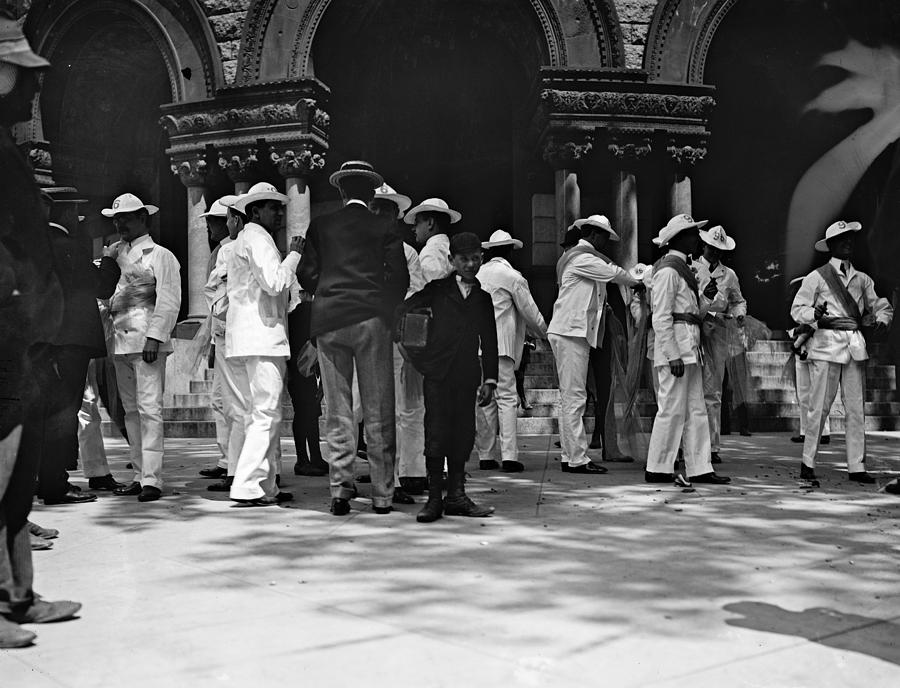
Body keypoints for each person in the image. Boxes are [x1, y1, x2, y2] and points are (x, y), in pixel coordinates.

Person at [0, 10, 81, 647]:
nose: (30, 86)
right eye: (18, 72)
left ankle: (18, 596)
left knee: (16, 473)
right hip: (3, 332)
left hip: (19, 339)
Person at [298, 161, 408, 516]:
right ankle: (382, 493)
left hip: (329, 321)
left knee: (338, 409)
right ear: (372, 193)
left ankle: (340, 489)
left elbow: (305, 273)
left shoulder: (321, 225)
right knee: (378, 408)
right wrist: (382, 305)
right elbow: (400, 277)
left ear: (341, 190)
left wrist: (328, 292)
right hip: (371, 319)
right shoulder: (384, 225)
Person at [395, 232, 498, 522]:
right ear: (452, 260)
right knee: (436, 432)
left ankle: (457, 496)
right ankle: (433, 500)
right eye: (464, 259)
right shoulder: (437, 290)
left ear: (482, 258)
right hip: (437, 375)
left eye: (476, 258)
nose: (471, 264)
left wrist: (490, 380)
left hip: (467, 376)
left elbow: (490, 341)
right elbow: (402, 309)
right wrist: (410, 349)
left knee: (463, 433)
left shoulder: (483, 299)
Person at [34, 188, 121, 505]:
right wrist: (108, 261)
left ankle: (45, 479)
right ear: (64, 212)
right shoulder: (66, 246)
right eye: (74, 211)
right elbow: (101, 286)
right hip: (68, 342)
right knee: (63, 413)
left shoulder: (35, 245)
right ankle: (55, 484)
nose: (79, 218)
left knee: (46, 412)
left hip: (44, 343)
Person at [790, 220, 893, 483]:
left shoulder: (862, 279)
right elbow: (797, 309)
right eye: (841, 239)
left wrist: (882, 320)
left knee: (856, 409)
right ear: (831, 245)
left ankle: (856, 466)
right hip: (826, 346)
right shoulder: (816, 277)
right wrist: (813, 314)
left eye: (850, 238)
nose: (847, 242)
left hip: (854, 346)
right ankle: (808, 462)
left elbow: (881, 305)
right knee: (819, 407)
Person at [547, 215, 642, 474]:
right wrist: (638, 281)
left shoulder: (577, 257)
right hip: (571, 333)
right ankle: (577, 459)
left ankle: (571, 456)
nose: (606, 243)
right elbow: (613, 273)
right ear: (593, 235)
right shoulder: (583, 258)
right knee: (575, 397)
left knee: (571, 398)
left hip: (572, 332)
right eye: (604, 237)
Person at [225, 183, 300, 506]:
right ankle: (247, 485)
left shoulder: (248, 239)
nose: (279, 213)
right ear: (255, 212)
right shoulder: (257, 237)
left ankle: (265, 486)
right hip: (261, 337)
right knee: (266, 413)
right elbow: (274, 282)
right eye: (273, 207)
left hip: (248, 337)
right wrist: (294, 256)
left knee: (258, 413)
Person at [104, 193, 181, 502]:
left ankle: (152, 478)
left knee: (150, 410)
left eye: (127, 218)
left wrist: (156, 336)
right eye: (117, 219)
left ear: (143, 218)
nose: (120, 224)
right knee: (131, 411)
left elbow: (169, 299)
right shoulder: (114, 255)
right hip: (120, 341)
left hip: (146, 341)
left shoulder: (161, 255)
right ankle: (138, 473)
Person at [644, 215, 731, 486]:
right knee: (671, 408)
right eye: (692, 234)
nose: (697, 239)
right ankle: (658, 466)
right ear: (680, 238)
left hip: (690, 348)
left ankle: (700, 466)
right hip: (677, 351)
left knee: (696, 408)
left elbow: (692, 313)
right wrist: (672, 354)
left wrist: (706, 298)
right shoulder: (668, 271)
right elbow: (661, 317)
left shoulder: (682, 269)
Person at [370, 182, 426, 500]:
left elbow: (416, 293)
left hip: (397, 337)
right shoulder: (359, 247)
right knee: (366, 408)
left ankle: (406, 473)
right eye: (375, 208)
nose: (380, 215)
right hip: (365, 335)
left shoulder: (407, 253)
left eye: (386, 210)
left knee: (404, 406)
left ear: (395, 215)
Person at [475, 229, 547, 472]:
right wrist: (546, 333)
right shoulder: (512, 277)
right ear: (508, 252)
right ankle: (509, 456)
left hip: (476, 346)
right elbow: (531, 312)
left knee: (484, 400)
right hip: (500, 347)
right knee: (506, 399)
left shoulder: (477, 273)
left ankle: (486, 455)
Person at [694, 225, 747, 464]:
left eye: (719, 250)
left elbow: (737, 300)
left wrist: (739, 314)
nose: (714, 252)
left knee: (714, 389)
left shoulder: (729, 274)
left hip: (718, 330)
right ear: (704, 246)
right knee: (691, 387)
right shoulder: (692, 268)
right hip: (695, 326)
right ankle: (688, 445)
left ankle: (712, 446)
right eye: (711, 248)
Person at [198, 195, 238, 481]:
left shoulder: (231, 250)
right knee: (219, 400)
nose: (209, 226)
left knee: (232, 401)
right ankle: (227, 460)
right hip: (221, 333)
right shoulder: (220, 251)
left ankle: (235, 464)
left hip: (232, 333)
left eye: (213, 220)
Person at [786, 276, 831, 445]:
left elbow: (814, 326)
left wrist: (800, 335)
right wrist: (797, 336)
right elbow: (794, 329)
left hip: (817, 349)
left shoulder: (820, 307)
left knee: (818, 392)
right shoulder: (797, 310)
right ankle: (805, 431)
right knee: (803, 393)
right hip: (801, 351)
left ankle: (823, 431)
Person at [406, 197, 460, 283]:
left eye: (417, 223)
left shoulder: (432, 252)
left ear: (430, 223)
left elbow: (429, 288)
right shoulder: (449, 248)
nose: (413, 229)